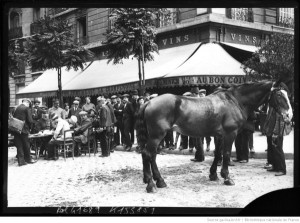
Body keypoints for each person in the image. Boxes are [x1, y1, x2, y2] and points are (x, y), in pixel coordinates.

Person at [262, 83, 293, 176]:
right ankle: (275, 166)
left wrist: (276, 131)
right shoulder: (275, 100)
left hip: (278, 126)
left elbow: (283, 115)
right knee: (274, 147)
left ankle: (282, 169)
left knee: (278, 146)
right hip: (274, 126)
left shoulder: (279, 98)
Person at [12, 98, 36, 166]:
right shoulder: (26, 108)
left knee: (19, 145)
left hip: (16, 129)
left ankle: (21, 161)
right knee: (26, 145)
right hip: (24, 129)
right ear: (28, 103)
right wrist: (31, 127)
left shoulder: (17, 108)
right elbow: (30, 120)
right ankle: (28, 159)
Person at [189, 87, 205, 162]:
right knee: (197, 141)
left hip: (198, 123)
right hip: (196, 122)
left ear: (194, 94)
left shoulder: (199, 100)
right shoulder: (197, 100)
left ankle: (200, 157)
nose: (191, 95)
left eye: (191, 94)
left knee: (198, 141)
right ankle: (198, 156)